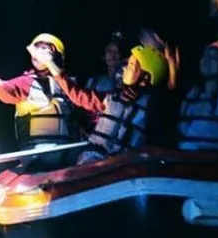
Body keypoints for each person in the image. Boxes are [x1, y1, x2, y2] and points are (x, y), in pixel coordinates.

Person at [40, 41, 173, 162]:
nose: (125, 68)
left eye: (131, 66)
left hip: (125, 167)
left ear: (145, 78)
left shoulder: (154, 108)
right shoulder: (112, 97)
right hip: (95, 158)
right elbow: (78, 95)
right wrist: (52, 65)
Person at [0, 33, 79, 153]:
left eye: (45, 49)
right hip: (38, 151)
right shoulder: (27, 82)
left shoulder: (70, 85)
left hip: (71, 147)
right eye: (36, 48)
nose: (38, 53)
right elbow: (5, 89)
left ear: (57, 56)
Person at [177, 40, 218, 152]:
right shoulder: (192, 94)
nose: (206, 60)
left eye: (213, 57)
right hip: (185, 159)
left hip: (217, 163)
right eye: (205, 56)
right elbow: (181, 128)